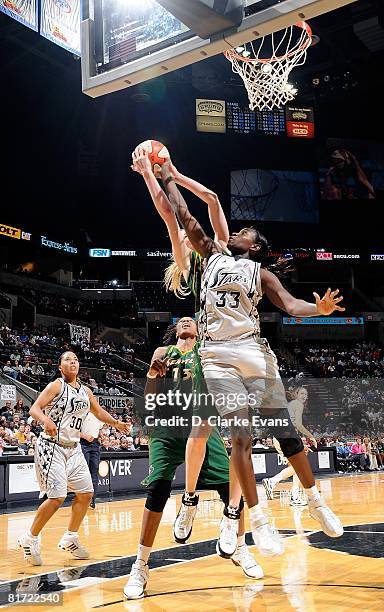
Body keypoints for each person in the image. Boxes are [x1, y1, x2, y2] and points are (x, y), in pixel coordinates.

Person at [160, 160, 344, 551]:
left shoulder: (262, 274)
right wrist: (165, 176)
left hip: (254, 352)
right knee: (240, 439)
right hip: (216, 357)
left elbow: (293, 306)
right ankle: (257, 520)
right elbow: (184, 213)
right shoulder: (209, 254)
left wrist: (320, 311)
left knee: (286, 435)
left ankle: (315, 501)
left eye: (246, 232)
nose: (238, 232)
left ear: (254, 247)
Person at [123, 317, 263, 600]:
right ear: (175, 331)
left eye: (191, 319)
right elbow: (150, 398)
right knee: (158, 490)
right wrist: (151, 376)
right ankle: (140, 565)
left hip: (202, 425)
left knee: (230, 490)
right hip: (167, 426)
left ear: (200, 330)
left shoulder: (206, 351)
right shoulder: (162, 354)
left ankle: (239, 546)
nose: (186, 321)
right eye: (182, 321)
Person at [17, 351, 130, 566]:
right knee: (57, 497)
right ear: (60, 366)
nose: (73, 362)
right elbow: (34, 409)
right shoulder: (56, 386)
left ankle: (70, 537)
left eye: (76, 360)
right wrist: (45, 421)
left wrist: (116, 423)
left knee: (86, 494)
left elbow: (98, 412)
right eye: (68, 359)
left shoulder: (85, 391)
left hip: (74, 448)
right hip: (52, 446)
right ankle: (29, 539)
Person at [262, 387, 317, 505]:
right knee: (299, 466)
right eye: (302, 394)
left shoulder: (286, 406)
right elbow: (297, 425)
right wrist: (310, 436)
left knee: (295, 467)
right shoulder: (296, 405)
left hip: (279, 436)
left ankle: (294, 496)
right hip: (286, 437)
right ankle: (272, 481)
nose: (305, 397)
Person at [80, 411, 104, 509]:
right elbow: (73, 431)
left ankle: (92, 499)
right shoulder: (81, 414)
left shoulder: (98, 415)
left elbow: (99, 428)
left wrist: (100, 435)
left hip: (95, 444)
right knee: (84, 472)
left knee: (94, 472)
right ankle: (82, 499)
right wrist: (85, 436)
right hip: (83, 443)